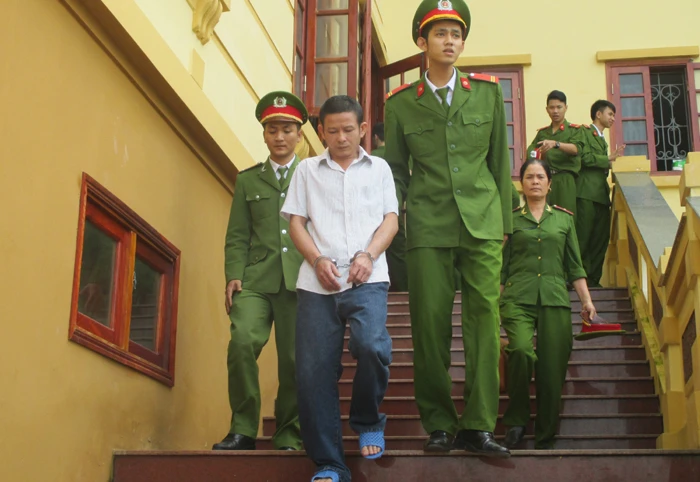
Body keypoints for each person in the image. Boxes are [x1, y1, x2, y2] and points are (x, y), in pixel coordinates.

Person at [383, 0, 511, 457]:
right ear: (422, 41)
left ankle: (478, 425)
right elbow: (395, 171)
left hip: (482, 222)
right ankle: (438, 423)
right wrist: (391, 222)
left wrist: (504, 224)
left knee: (484, 323)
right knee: (429, 326)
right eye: (440, 33)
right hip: (427, 224)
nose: (450, 41)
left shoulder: (488, 93)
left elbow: (499, 161)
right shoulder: (401, 104)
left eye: (456, 34)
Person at [281, 95, 399, 482]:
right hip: (317, 284)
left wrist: (369, 254)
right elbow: (296, 223)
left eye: (349, 129)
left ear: (362, 129)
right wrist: (317, 260)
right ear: (321, 132)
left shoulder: (379, 168)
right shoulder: (306, 170)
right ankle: (330, 463)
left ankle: (368, 420)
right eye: (333, 131)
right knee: (313, 372)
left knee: (372, 346)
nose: (342, 137)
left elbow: (391, 221)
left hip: (368, 277)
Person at [213, 91, 307, 452]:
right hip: (255, 280)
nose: (279, 137)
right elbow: (237, 235)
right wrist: (233, 274)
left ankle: (289, 432)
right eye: (272, 130)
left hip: (301, 280)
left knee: (295, 361)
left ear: (299, 134)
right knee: (241, 343)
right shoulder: (248, 180)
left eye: (287, 129)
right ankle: (242, 429)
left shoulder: (313, 176)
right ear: (264, 135)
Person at [500, 159, 598, 450]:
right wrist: (494, 303)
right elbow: (502, 268)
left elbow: (574, 266)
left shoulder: (564, 220)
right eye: (529, 176)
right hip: (517, 297)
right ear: (521, 184)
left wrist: (586, 300)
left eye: (540, 176)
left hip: (554, 298)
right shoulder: (511, 220)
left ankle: (546, 431)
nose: (535, 181)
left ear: (549, 184)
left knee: (552, 366)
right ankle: (517, 420)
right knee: (519, 350)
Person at [577, 100, 625, 287]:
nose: (613, 118)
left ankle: (593, 280)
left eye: (614, 115)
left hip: (601, 195)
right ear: (598, 114)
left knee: (600, 239)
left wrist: (611, 161)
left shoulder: (602, 139)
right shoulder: (584, 132)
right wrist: (608, 159)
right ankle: (577, 280)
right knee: (583, 238)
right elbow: (584, 158)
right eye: (610, 114)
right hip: (586, 193)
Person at [526, 90, 585, 214]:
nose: (555, 111)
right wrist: (540, 155)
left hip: (565, 179)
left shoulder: (575, 130)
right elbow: (532, 152)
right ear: (547, 109)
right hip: (545, 179)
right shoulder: (542, 133)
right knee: (543, 215)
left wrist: (556, 144)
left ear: (566, 108)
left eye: (559, 107)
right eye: (552, 107)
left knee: (566, 215)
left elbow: (576, 149)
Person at [373, 122, 408, 292]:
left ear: (375, 137)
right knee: (399, 254)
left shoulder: (371, 157)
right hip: (397, 210)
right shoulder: (405, 157)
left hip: (374, 212)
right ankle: (403, 290)